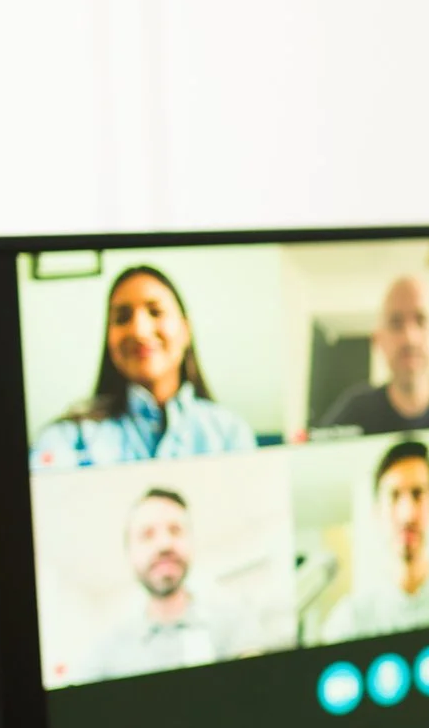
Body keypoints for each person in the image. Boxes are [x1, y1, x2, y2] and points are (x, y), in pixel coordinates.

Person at [32, 264, 257, 467]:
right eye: (122, 318)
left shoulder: (230, 434)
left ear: (185, 330)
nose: (139, 331)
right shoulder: (66, 440)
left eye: (156, 312)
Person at [75, 487, 259, 682]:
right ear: (129, 554)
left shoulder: (235, 623)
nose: (164, 544)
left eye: (175, 530)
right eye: (147, 535)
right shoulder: (103, 653)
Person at [323, 439, 429, 639]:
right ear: (377, 512)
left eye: (417, 494)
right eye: (394, 496)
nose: (407, 514)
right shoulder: (349, 622)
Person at [319, 274, 429, 433]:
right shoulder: (353, 413)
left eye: (421, 320)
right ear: (378, 339)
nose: (409, 338)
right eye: (396, 323)